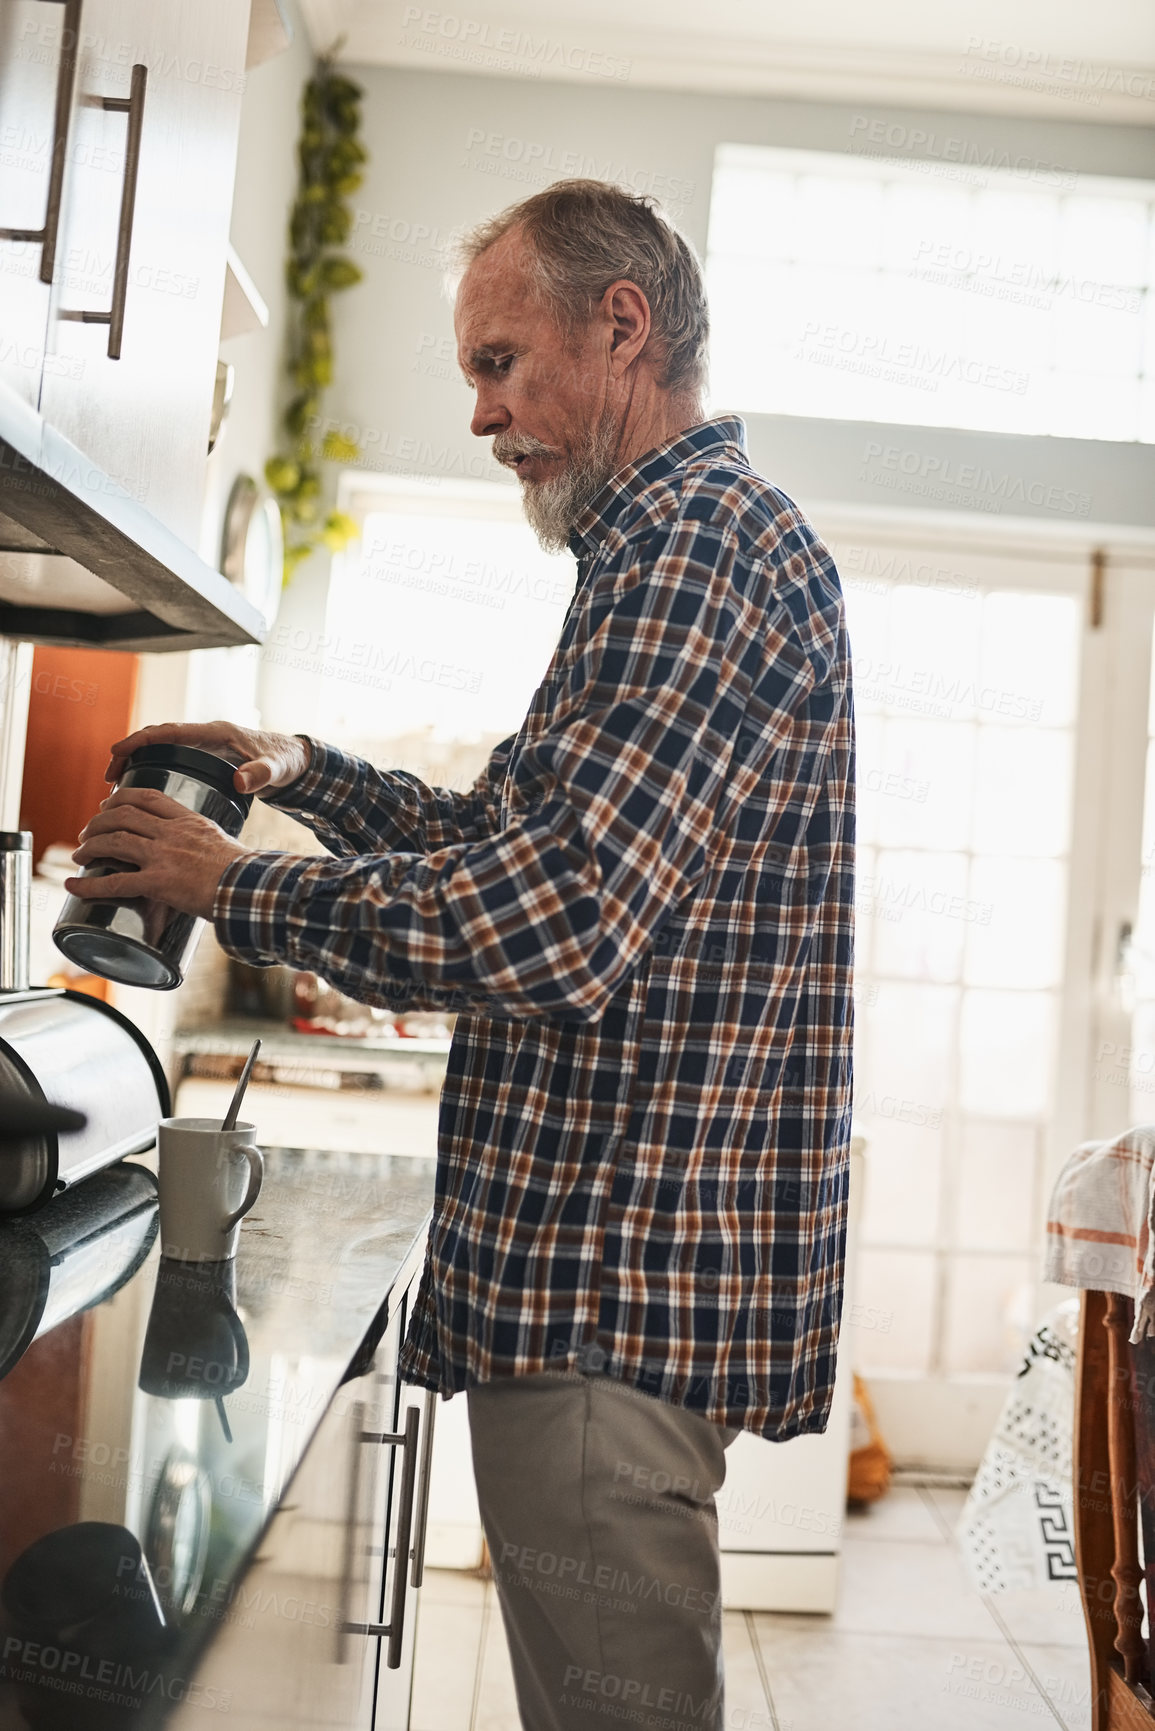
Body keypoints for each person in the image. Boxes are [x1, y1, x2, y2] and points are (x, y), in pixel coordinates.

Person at [67, 180, 854, 1729]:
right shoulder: (670, 550)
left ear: (621, 326)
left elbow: (553, 923)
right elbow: (507, 833)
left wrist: (232, 884)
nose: (485, 415)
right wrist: (298, 770)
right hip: (611, 1294)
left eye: (500, 363)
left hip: (605, 1297)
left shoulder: (693, 553)